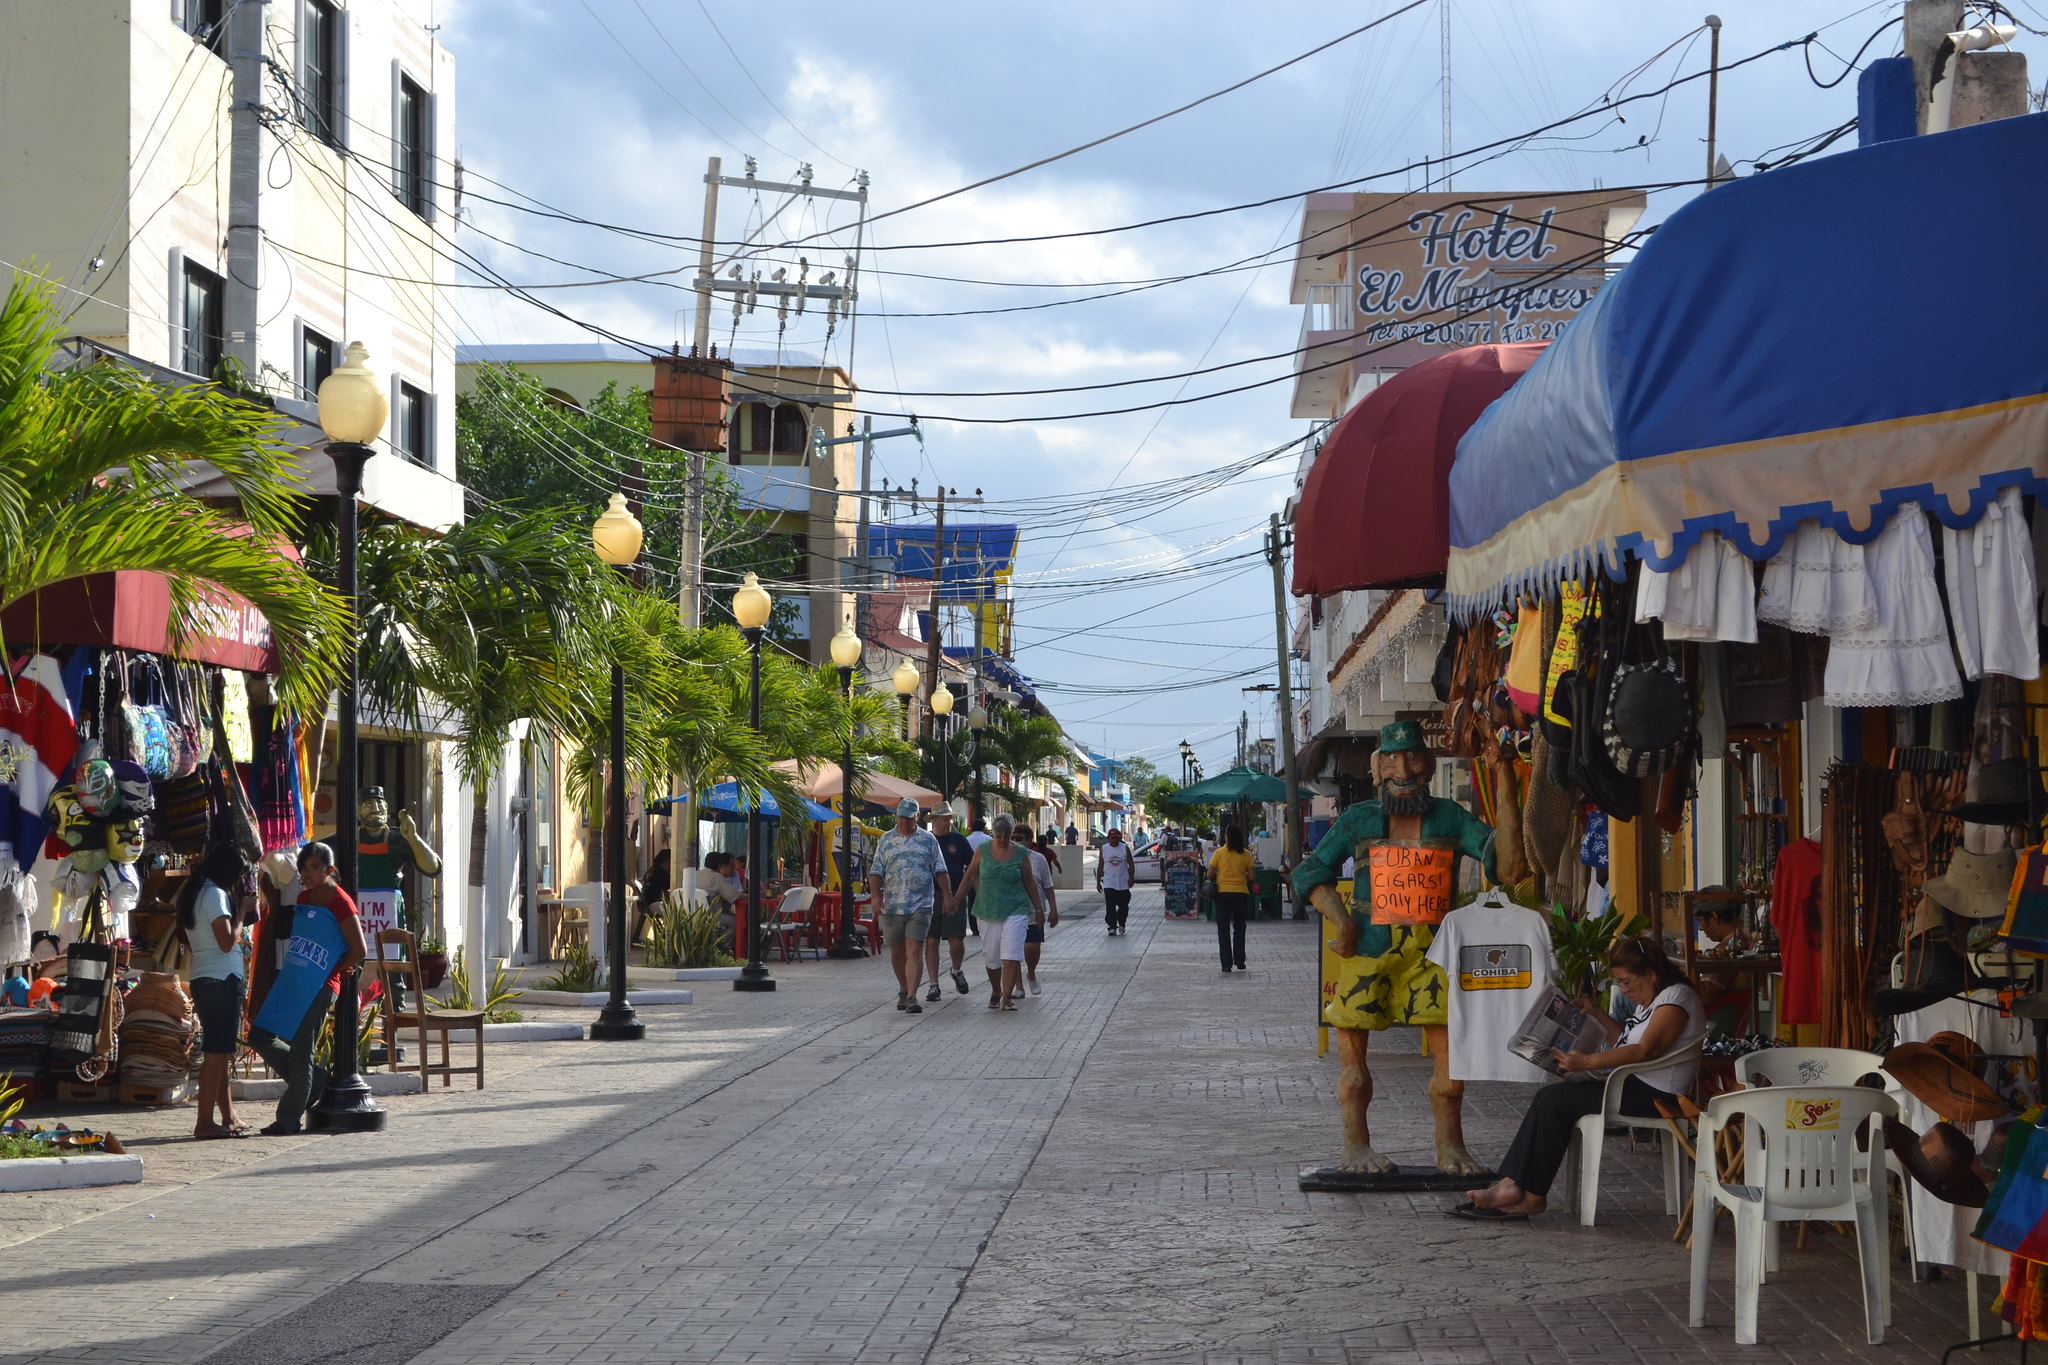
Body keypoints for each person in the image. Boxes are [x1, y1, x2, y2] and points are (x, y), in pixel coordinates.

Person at [1455, 936, 1707, 1221]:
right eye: (1619, 983)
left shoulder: (1676, 999)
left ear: (1650, 974)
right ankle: (1513, 1184)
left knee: (1555, 1103)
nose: (1623, 991)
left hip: (1656, 1094)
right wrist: (1597, 1015)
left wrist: (1586, 1062)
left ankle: (1529, 1195)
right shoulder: (1654, 996)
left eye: (1626, 982)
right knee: (1549, 1097)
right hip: (1634, 1083)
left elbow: (1646, 1050)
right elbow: (1625, 1041)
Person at [246, 841, 366, 1137]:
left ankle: (287, 1119)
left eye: (314, 867)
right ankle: (316, 1081)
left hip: (321, 985)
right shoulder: (303, 896)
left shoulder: (340, 901)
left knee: (302, 1052)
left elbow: (358, 948)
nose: (307, 873)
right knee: (259, 1036)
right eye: (303, 867)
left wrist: (338, 969)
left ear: (330, 870)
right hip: (293, 980)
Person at [182, 842, 252, 1140]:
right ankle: (205, 1122)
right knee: (215, 1053)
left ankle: (227, 1115)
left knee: (219, 1051)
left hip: (205, 977)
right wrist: (241, 914)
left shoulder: (197, 891)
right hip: (221, 978)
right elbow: (226, 941)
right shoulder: (214, 895)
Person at [869, 798, 951, 1015]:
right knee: (897, 953)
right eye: (901, 817)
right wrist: (876, 898)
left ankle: (913, 996)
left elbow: (940, 870)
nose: (905, 821)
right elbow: (876, 871)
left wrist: (949, 896)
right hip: (893, 905)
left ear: (917, 816)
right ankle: (903, 989)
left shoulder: (928, 840)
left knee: (914, 949)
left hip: (920, 904)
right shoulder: (886, 840)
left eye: (909, 817)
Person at [955, 812, 1045, 1011]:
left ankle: (1007, 997)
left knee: (1011, 953)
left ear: (1011, 834)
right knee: (992, 956)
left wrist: (1039, 909)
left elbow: (1030, 882)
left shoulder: (1021, 853)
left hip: (1016, 908)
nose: (1003, 840)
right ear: (993, 835)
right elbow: (970, 876)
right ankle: (996, 990)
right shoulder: (982, 850)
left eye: (1006, 836)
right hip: (988, 909)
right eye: (999, 836)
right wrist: (957, 899)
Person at [926, 809, 976, 999]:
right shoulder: (927, 840)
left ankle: (956, 970)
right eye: (945, 819)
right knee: (931, 940)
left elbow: (972, 867)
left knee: (956, 940)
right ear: (935, 820)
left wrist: (965, 891)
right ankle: (933, 984)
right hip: (930, 896)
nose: (949, 823)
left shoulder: (959, 840)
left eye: (950, 819)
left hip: (955, 895)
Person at [1208, 825, 1257, 974]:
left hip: (1222, 894)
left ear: (1227, 837)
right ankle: (1240, 960)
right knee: (1239, 927)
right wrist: (1241, 876)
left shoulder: (1219, 853)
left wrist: (1222, 875)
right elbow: (1253, 877)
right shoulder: (1247, 854)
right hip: (1241, 893)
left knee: (1223, 929)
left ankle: (1226, 964)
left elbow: (1210, 874)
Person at [1019, 831, 1059, 997]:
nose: (1015, 841)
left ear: (1029, 841)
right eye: (1012, 838)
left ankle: (1031, 972)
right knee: (1011, 951)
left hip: (1034, 910)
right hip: (1011, 910)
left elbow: (1048, 886)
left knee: (1032, 946)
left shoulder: (1038, 859)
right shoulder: (1005, 857)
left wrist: (1053, 910)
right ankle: (1017, 986)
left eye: (1019, 838)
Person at [1097, 826, 1135, 936]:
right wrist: (1098, 881)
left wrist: (1131, 877)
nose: (1115, 840)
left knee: (1124, 907)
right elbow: (1100, 865)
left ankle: (1122, 923)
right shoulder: (1104, 849)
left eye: (1117, 838)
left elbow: (1131, 863)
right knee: (1110, 906)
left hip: (1123, 882)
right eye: (1113, 838)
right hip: (1109, 882)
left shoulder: (1124, 848)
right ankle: (1112, 926)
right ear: (1108, 838)